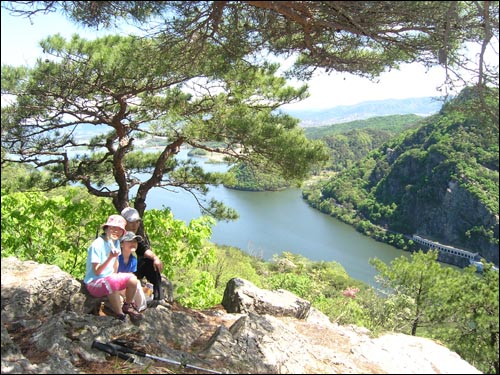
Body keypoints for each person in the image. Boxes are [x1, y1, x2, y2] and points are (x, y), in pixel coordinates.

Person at [83, 214, 143, 322]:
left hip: (108, 279)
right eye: (113, 228)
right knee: (112, 282)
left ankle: (127, 305)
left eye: (119, 229)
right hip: (94, 282)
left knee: (133, 279)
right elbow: (97, 271)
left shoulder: (115, 243)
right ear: (106, 228)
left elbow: (114, 267)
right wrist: (110, 257)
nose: (116, 231)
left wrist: (117, 276)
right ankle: (120, 314)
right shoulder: (97, 245)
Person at [121, 207, 166, 307]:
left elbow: (144, 249)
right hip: (117, 273)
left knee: (149, 262)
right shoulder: (117, 236)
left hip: (129, 271)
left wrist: (155, 258)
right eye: (131, 222)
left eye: (137, 222)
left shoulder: (134, 237)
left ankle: (158, 298)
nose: (135, 225)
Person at [118, 231, 149, 311]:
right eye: (129, 241)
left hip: (126, 286)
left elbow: (131, 275)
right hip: (115, 286)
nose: (133, 243)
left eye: (135, 241)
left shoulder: (133, 260)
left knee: (137, 283)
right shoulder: (116, 258)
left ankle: (140, 308)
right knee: (137, 283)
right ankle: (138, 307)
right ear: (122, 244)